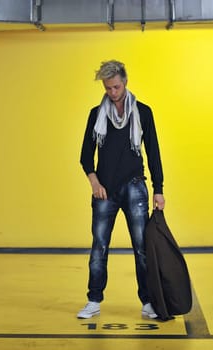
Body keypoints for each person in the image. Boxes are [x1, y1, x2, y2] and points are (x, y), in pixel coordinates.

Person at [77, 60, 165, 319]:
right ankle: (93, 300)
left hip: (136, 187)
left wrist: (158, 189)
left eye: (116, 87)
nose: (112, 93)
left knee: (142, 248)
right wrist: (94, 182)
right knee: (99, 247)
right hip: (105, 190)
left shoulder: (143, 112)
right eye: (108, 88)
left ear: (125, 82)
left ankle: (148, 301)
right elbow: (85, 155)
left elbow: (153, 153)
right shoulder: (96, 114)